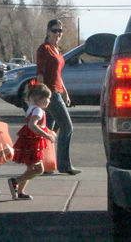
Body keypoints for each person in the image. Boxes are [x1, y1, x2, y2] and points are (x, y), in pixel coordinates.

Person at [36, 19, 81, 175]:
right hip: (50, 95)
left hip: (57, 92)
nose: (58, 34)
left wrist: (65, 91)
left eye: (60, 31)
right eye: (55, 30)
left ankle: (46, 165)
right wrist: (42, 96)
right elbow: (40, 74)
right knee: (67, 127)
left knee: (48, 131)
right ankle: (64, 165)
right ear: (48, 31)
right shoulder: (44, 49)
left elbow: (57, 74)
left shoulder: (56, 49)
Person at [8, 82, 56, 200]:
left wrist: (49, 131)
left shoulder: (31, 108)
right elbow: (32, 125)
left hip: (28, 142)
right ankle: (15, 181)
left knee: (30, 169)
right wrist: (47, 135)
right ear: (39, 99)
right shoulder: (38, 110)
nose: (49, 101)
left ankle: (19, 191)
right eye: (48, 98)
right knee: (39, 169)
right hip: (33, 143)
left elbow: (40, 125)